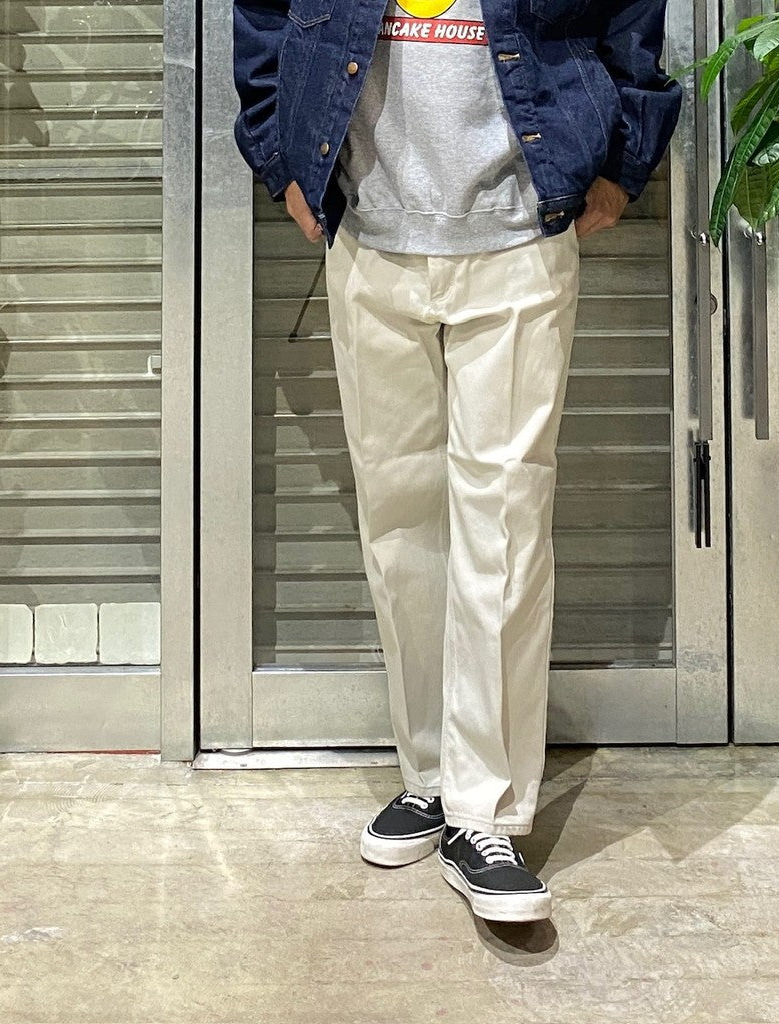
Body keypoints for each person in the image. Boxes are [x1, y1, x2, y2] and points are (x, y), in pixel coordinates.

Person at [232, 0, 682, 923]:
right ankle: (430, 775)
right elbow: (265, 13)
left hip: (519, 234)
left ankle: (487, 812)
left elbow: (632, 12)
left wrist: (625, 162)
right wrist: (281, 161)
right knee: (399, 522)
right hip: (371, 235)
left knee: (504, 524)